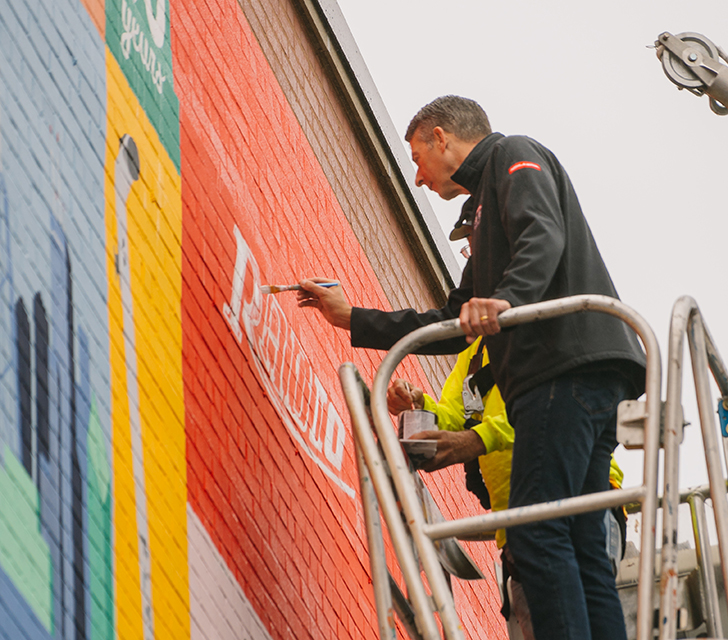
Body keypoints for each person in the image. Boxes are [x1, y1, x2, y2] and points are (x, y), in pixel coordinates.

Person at [298, 95, 646, 640]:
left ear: (442, 137)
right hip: (586, 373)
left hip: (562, 368)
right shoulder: (483, 213)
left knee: (534, 534)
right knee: (578, 541)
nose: (416, 177)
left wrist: (505, 299)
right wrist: (353, 320)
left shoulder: (513, 154)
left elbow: (542, 233)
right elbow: (450, 318)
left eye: (417, 157)